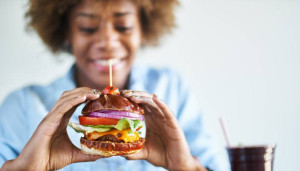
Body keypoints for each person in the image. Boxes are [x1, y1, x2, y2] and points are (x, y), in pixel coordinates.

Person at [0, 0, 229, 170]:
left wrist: (188, 167)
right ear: (66, 33)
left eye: (123, 26)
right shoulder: (23, 106)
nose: (108, 42)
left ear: (143, 29)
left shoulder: (170, 90)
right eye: (88, 28)